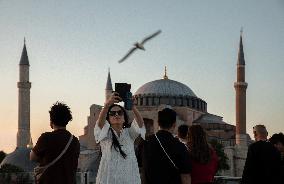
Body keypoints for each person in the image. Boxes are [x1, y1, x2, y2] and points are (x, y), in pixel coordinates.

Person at [94, 92, 145, 184]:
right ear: (108, 119)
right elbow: (99, 124)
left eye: (120, 113)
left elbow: (140, 124)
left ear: (124, 118)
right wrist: (107, 105)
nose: (116, 115)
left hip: (128, 179)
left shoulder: (129, 133)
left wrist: (133, 107)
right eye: (112, 113)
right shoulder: (105, 135)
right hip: (108, 179)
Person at [30, 102, 80, 184]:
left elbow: (32, 157)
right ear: (67, 120)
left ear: (51, 121)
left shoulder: (46, 137)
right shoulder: (75, 141)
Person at [142, 108, 191, 184]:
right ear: (174, 125)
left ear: (158, 123)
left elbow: (143, 170)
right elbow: (185, 176)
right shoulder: (180, 147)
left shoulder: (146, 143)